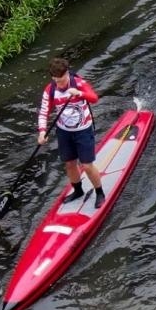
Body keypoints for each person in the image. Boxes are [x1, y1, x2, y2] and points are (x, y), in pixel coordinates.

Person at [38, 56, 105, 205]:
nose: (60, 84)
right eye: (56, 80)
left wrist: (79, 93)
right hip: (64, 132)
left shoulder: (79, 83)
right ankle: (78, 191)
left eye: (62, 80)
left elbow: (94, 98)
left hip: (83, 130)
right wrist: (42, 131)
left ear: (67, 73)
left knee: (87, 166)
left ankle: (100, 192)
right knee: (69, 164)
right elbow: (43, 112)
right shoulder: (50, 90)